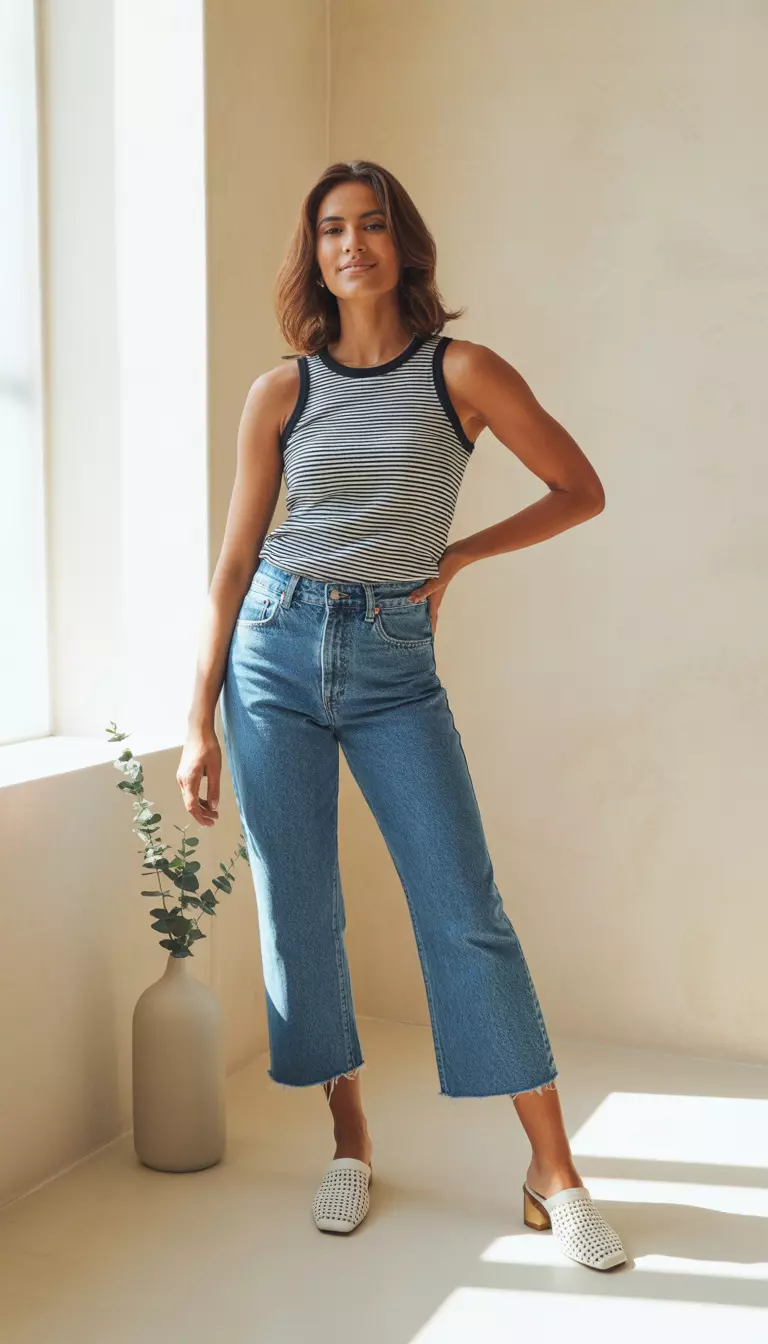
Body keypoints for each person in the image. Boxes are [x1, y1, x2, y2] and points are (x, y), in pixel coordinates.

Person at [177, 160, 627, 1271]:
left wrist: (461, 554)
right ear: (314, 252)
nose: (353, 245)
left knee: (462, 907)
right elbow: (234, 563)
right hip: (272, 654)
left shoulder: (461, 373)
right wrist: (196, 716)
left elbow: (582, 487)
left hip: (391, 660)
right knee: (300, 913)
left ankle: (552, 1172)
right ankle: (351, 1140)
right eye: (332, 228)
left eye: (372, 225)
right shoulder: (281, 392)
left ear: (402, 244)